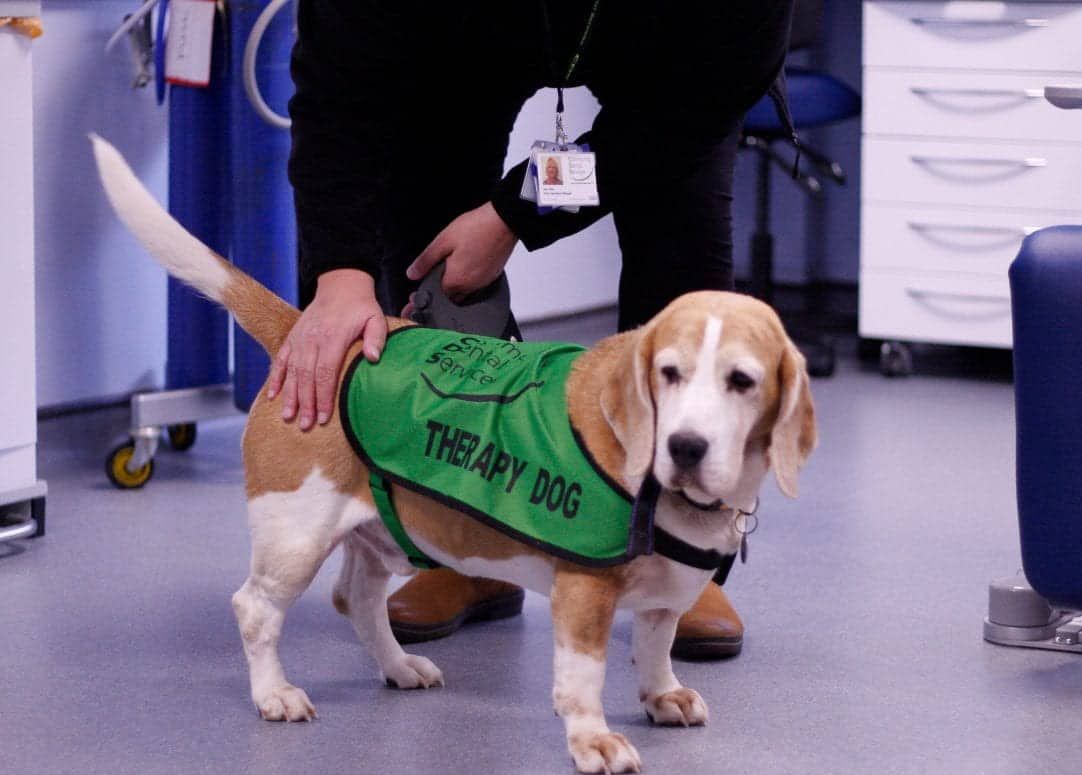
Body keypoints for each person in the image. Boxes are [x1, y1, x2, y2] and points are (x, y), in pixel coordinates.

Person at [276, 0, 793, 659]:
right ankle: (466, 548)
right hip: (463, 45)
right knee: (434, 268)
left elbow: (685, 112)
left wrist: (517, 211)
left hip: (669, 73)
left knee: (683, 266)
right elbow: (339, 84)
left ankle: (682, 554)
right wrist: (339, 270)